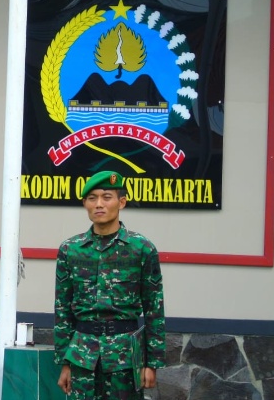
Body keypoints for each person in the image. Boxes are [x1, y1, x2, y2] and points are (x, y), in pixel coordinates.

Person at [54, 171, 164, 399]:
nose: (99, 204)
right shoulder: (70, 249)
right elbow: (62, 308)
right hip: (82, 356)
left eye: (107, 197)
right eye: (92, 198)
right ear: (84, 203)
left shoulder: (141, 249)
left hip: (124, 357)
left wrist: (151, 363)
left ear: (121, 202)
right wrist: (65, 361)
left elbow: (154, 310)